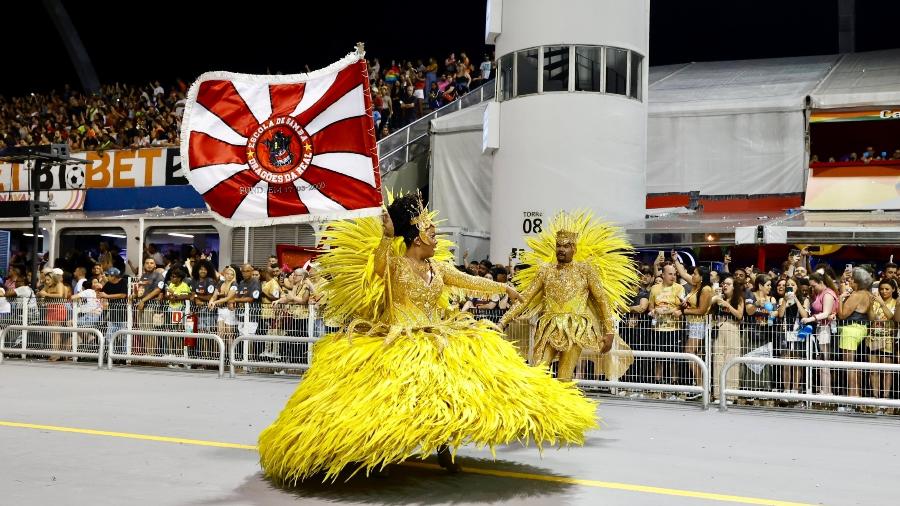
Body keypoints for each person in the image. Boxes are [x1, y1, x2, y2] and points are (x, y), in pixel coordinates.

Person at [258, 192, 597, 484]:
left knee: (445, 397)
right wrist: (387, 237)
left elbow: (468, 280)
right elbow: (378, 267)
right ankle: (381, 452)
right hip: (398, 342)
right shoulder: (395, 265)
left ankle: (444, 449)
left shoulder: (439, 268)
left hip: (436, 339)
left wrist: (503, 286)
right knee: (392, 402)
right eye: (432, 232)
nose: (437, 237)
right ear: (417, 238)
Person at [499, 211, 637, 382]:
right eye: (558, 245)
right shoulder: (545, 271)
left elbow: (602, 300)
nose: (561, 249)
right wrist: (503, 322)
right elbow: (524, 298)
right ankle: (539, 407)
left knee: (564, 378)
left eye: (565, 246)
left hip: (575, 329)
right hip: (547, 328)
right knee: (537, 374)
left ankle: (561, 408)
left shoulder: (585, 270)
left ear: (574, 249)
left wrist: (609, 332)